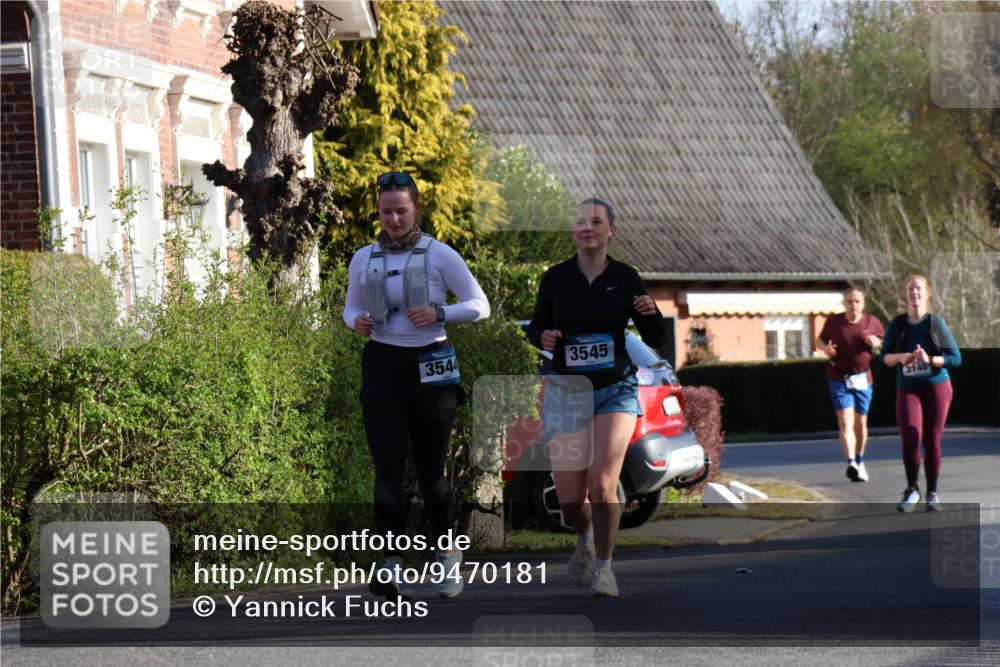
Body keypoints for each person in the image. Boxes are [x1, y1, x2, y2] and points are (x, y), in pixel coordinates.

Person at [343, 171, 490, 598]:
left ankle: (446, 557)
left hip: (432, 361)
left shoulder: (440, 254)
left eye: (402, 211)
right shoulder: (364, 257)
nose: (394, 219)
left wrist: (441, 314)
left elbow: (479, 305)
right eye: (386, 211)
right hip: (383, 363)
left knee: (431, 471)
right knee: (388, 469)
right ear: (378, 210)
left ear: (417, 209)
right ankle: (391, 566)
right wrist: (358, 321)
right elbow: (349, 308)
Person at [526, 197, 664, 597]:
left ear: (610, 231)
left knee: (603, 484)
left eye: (596, 221)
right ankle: (583, 538)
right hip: (568, 392)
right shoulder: (555, 278)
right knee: (570, 496)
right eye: (581, 222)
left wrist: (651, 312)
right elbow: (536, 329)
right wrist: (544, 337)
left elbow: (655, 339)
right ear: (573, 231)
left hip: (615, 389)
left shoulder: (626, 277)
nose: (588, 227)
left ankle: (605, 568)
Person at [879, 275, 961, 512]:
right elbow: (884, 357)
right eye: (910, 289)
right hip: (908, 388)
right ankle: (912, 489)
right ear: (905, 295)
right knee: (910, 438)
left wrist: (930, 359)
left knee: (931, 440)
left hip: (937, 386)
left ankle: (932, 493)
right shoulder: (898, 324)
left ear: (927, 294)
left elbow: (956, 358)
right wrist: (901, 357)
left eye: (918, 289)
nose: (914, 293)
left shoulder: (935, 323)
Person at [816, 288, 884, 483]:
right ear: (844, 304)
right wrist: (826, 348)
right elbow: (820, 340)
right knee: (845, 421)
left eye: (856, 301)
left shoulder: (872, 322)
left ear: (863, 304)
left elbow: (885, 344)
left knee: (860, 422)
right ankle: (851, 462)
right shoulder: (834, 322)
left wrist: (875, 342)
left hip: (863, 378)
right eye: (849, 301)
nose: (853, 305)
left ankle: (860, 461)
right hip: (838, 376)